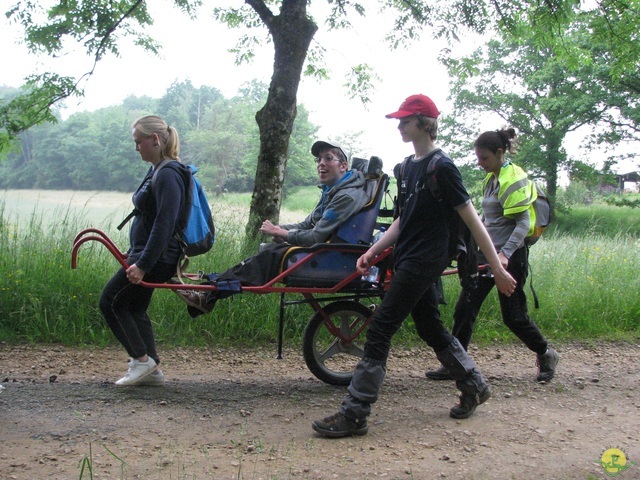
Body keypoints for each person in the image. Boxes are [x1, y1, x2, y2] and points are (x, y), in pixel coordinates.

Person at [312, 94, 517, 438]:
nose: (399, 126)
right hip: (406, 255)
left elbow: (473, 220)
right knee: (429, 326)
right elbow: (402, 220)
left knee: (380, 328)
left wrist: (496, 266)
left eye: (405, 120)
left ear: (424, 123)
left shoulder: (443, 168)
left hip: (427, 259)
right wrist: (373, 251)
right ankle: (474, 384)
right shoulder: (407, 167)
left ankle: (355, 413)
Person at [177, 140, 372, 318]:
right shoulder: (333, 191)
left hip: (331, 258)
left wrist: (282, 234)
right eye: (319, 159)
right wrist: (281, 230)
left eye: (328, 158)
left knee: (269, 255)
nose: (321, 163)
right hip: (323, 250)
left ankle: (210, 292)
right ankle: (210, 288)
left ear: (343, 165)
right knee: (268, 251)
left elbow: (315, 236)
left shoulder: (345, 196)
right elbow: (306, 225)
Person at [425, 129, 559, 383]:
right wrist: (472, 245)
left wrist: (505, 255)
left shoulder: (513, 179)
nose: (480, 163)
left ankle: (546, 353)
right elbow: (486, 219)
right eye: (478, 158)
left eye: (484, 158)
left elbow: (522, 224)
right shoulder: (491, 179)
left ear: (500, 153)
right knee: (465, 307)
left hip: (511, 258)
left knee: (514, 316)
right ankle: (456, 363)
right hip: (487, 255)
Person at [99, 115, 191, 387]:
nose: (136, 147)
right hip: (147, 254)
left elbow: (164, 224)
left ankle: (141, 361)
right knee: (135, 308)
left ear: (155, 139)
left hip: (156, 258)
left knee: (111, 302)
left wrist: (143, 264)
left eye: (139, 142)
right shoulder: (158, 170)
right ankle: (151, 370)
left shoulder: (168, 174)